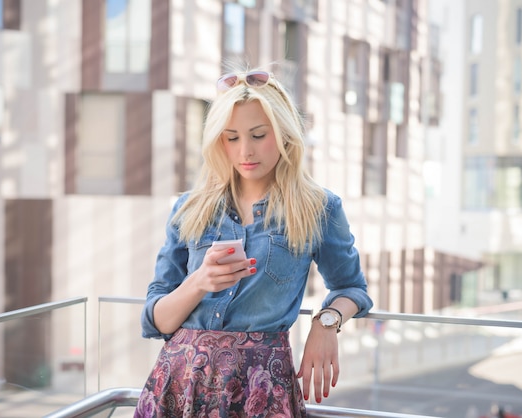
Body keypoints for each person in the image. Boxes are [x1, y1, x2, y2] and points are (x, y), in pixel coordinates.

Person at [134, 67, 373, 417]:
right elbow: (156, 320)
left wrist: (326, 322)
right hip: (178, 385)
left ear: (284, 133)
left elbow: (352, 287)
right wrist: (200, 281)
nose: (245, 150)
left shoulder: (319, 208)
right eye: (231, 138)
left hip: (260, 391)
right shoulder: (189, 207)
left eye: (258, 135)